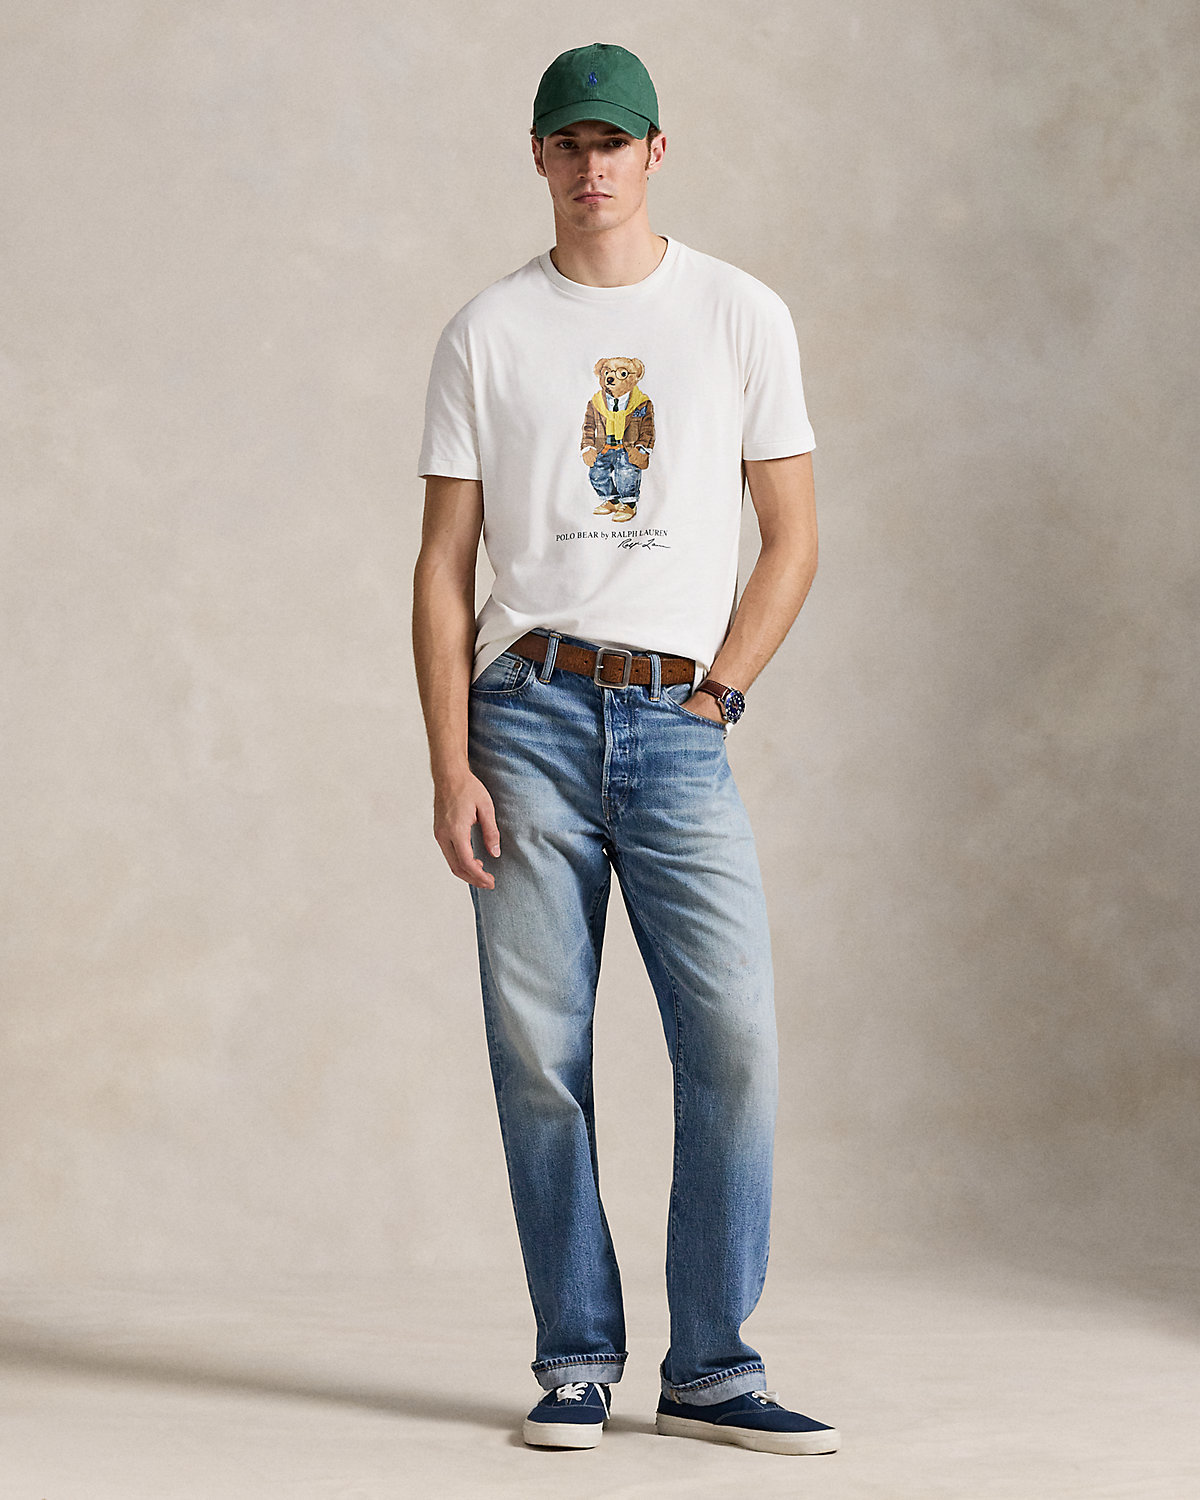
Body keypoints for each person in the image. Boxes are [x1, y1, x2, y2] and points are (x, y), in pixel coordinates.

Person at [412, 41, 838, 1457]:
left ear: (657, 152)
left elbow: (793, 536)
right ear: (539, 154)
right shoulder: (486, 332)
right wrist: (449, 760)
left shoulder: (738, 314)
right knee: (541, 1052)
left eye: (615, 141)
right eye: (569, 142)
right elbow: (442, 566)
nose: (592, 166)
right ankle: (578, 1356)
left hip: (676, 720)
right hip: (524, 716)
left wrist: (719, 697)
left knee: (734, 1042)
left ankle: (711, 1365)